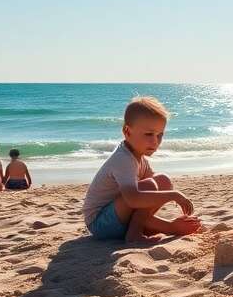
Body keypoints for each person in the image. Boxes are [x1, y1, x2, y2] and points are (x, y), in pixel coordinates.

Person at [82, 97, 201, 242]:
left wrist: (170, 221)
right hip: (100, 223)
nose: (155, 141)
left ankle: (148, 229)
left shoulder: (139, 157)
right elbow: (133, 199)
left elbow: (156, 189)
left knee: (163, 180)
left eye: (160, 135)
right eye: (149, 134)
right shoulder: (123, 158)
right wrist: (174, 195)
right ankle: (135, 234)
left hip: (119, 218)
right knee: (150, 186)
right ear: (127, 131)